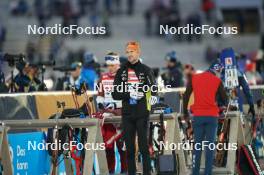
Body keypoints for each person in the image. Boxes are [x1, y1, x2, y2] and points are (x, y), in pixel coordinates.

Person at [112, 41, 158, 175]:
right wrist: (129, 93)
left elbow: (154, 89)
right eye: (127, 52)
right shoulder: (121, 71)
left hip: (142, 114)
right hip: (127, 115)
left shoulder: (146, 70)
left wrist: (152, 96)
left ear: (138, 52)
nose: (129, 54)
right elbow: (115, 94)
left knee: (144, 148)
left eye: (131, 51)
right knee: (130, 149)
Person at [183, 61, 228, 175]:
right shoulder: (217, 81)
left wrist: (185, 113)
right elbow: (225, 99)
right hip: (212, 117)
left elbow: (186, 95)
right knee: (210, 148)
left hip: (198, 116)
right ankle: (208, 173)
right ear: (217, 71)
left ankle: (195, 173)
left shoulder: (194, 78)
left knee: (197, 147)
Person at [96, 52, 127, 174]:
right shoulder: (103, 78)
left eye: (113, 65)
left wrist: (117, 105)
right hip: (107, 114)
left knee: (122, 145)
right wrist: (100, 102)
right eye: (108, 65)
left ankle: (125, 170)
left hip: (121, 114)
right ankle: (110, 170)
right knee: (108, 145)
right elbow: (100, 95)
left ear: (118, 63)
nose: (111, 67)